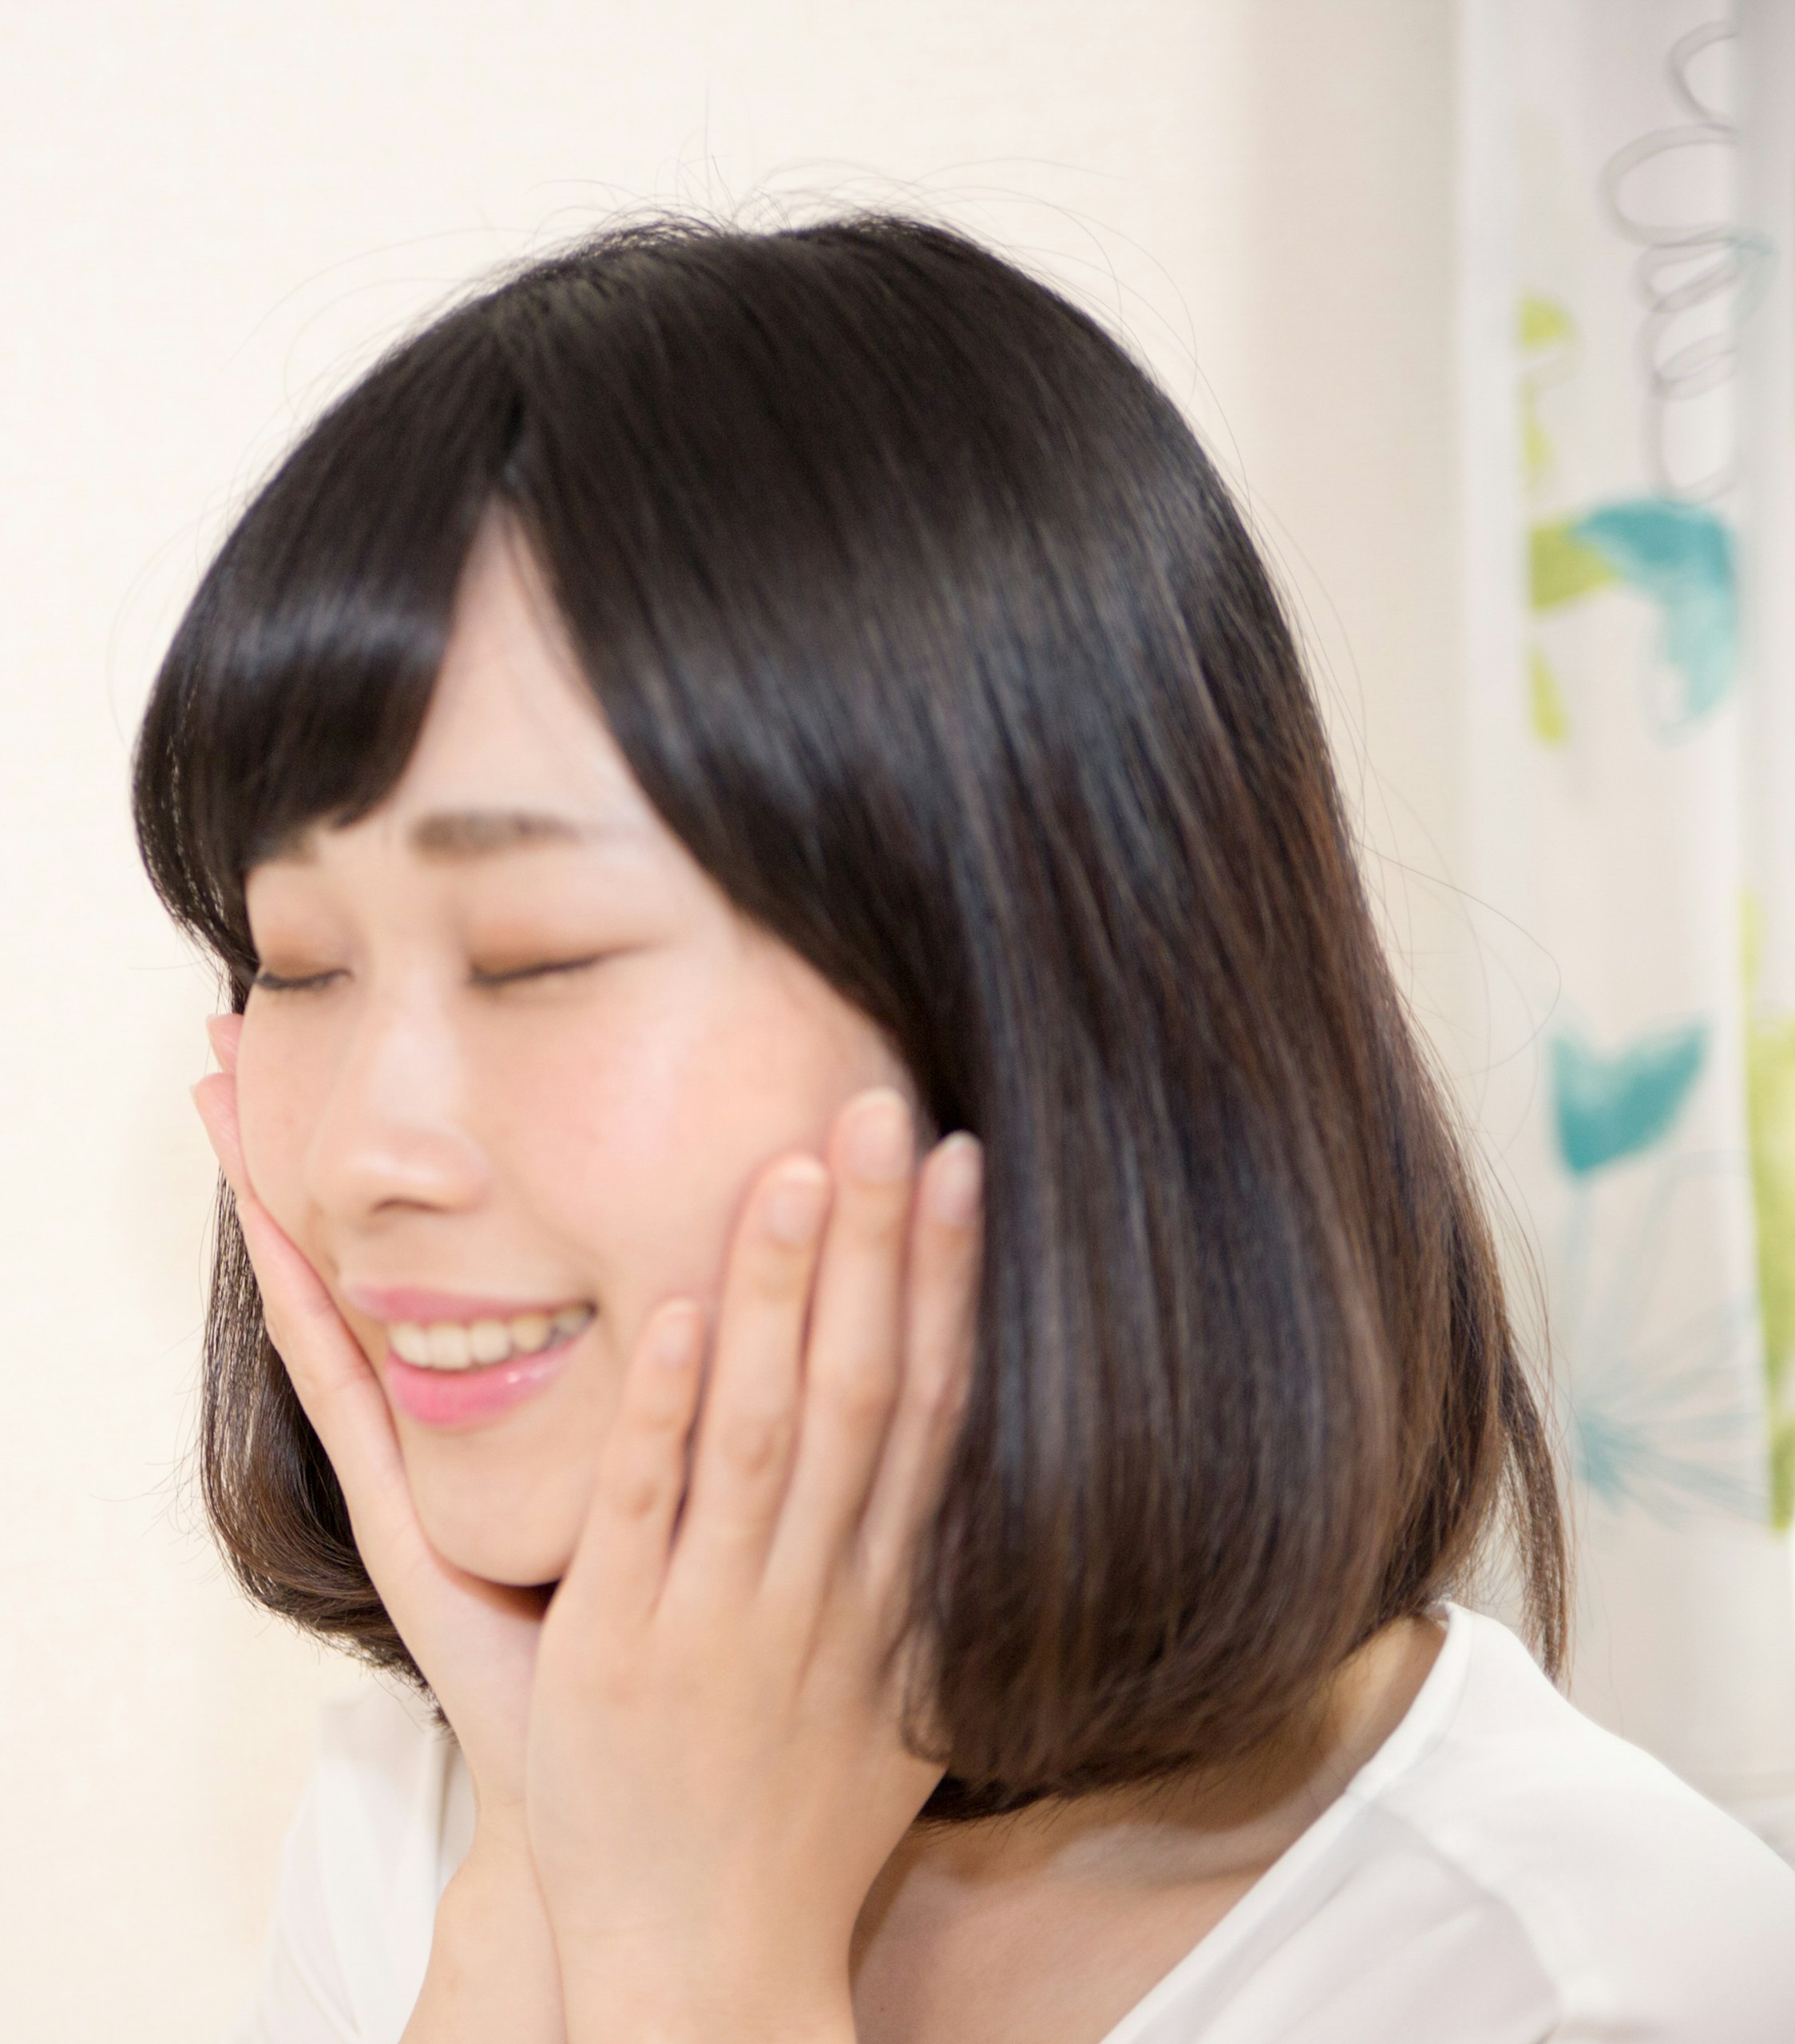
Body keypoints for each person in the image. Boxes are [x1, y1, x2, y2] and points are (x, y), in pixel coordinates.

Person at [128, 213, 1795, 2043]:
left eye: (536, 958)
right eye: (295, 963)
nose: (367, 1146)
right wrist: (536, 1861)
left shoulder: (1594, 1981)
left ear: (1049, 1003)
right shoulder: (413, 1815)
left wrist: (691, 1966)